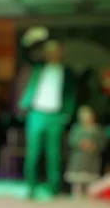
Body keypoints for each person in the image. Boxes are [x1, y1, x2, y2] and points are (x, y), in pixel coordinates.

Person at [19, 40, 77, 199]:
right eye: (49, 50)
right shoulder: (38, 68)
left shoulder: (67, 71)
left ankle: (54, 188)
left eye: (56, 50)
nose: (52, 53)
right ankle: (31, 187)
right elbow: (25, 55)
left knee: (54, 154)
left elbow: (71, 94)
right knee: (33, 153)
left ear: (61, 52)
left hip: (56, 116)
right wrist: (32, 38)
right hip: (37, 114)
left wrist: (67, 114)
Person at [65, 105, 106, 197]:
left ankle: (88, 196)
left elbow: (102, 142)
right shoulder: (77, 128)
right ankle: (76, 195)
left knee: (90, 181)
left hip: (92, 159)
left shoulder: (97, 129)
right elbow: (72, 140)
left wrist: (94, 146)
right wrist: (81, 144)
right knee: (77, 181)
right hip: (78, 159)